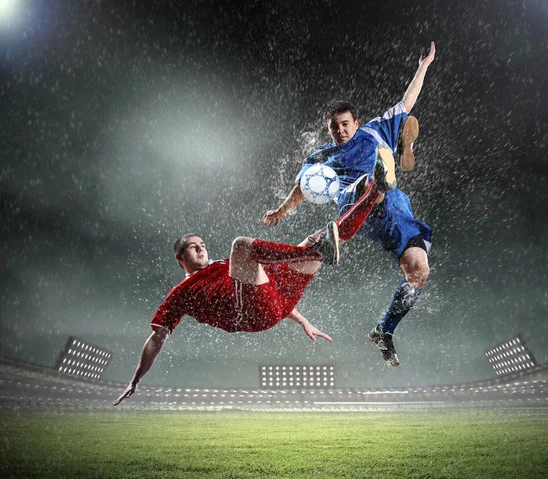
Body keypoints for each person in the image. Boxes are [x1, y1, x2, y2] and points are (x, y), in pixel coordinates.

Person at [114, 162, 393, 405]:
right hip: (248, 311)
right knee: (242, 246)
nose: (200, 249)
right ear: (180, 258)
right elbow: (157, 337)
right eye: (192, 248)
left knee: (317, 236)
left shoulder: (225, 266)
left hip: (276, 301)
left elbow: (263, 283)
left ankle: (373, 193)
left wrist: (303, 321)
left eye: (202, 244)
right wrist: (136, 379)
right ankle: (318, 250)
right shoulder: (181, 292)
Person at [262, 42, 436, 367]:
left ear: (356, 122)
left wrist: (423, 66)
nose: (340, 130)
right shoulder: (322, 156)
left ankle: (384, 331)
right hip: (356, 208)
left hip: (395, 213)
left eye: (345, 124)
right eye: (333, 127)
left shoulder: (373, 131)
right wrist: (283, 209)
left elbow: (406, 101)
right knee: (373, 184)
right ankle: (380, 177)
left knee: (418, 270)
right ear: (327, 129)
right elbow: (303, 187)